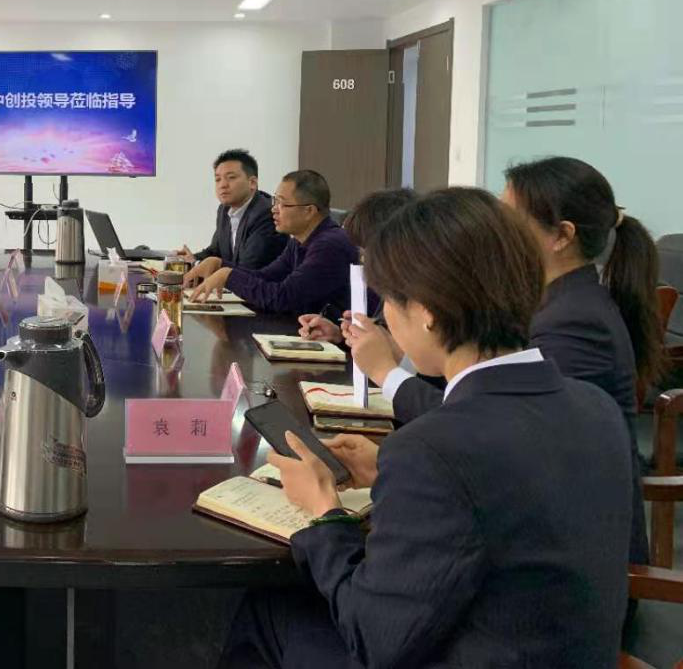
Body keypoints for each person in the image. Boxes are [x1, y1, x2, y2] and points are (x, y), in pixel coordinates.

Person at [218, 188, 633, 669]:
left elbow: (373, 637)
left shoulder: (433, 449)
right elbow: (510, 497)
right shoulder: (596, 407)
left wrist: (325, 511)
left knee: (267, 611)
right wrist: (389, 469)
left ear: (428, 312)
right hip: (561, 648)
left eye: (390, 302)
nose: (386, 319)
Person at [362, 157, 664, 430]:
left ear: (562, 235)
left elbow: (491, 425)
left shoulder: (575, 322)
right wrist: (413, 348)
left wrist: (387, 373)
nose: (494, 232)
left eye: (508, 221)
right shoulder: (546, 301)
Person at [191, 170, 356, 317]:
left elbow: (283, 298)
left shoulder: (329, 246)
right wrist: (220, 265)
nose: (274, 209)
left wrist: (229, 275)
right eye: (275, 201)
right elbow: (267, 277)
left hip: (338, 339)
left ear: (309, 211)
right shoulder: (299, 240)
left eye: (282, 203)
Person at [295, 187, 417, 345]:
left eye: (367, 251)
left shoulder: (419, 298)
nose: (364, 260)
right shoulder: (391, 290)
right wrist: (340, 335)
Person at [180, 149, 287, 285]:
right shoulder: (224, 210)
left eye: (231, 177)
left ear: (252, 183)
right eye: (218, 179)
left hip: (261, 294)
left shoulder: (266, 214)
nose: (223, 185)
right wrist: (190, 259)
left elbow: (248, 270)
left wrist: (197, 264)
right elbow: (215, 251)